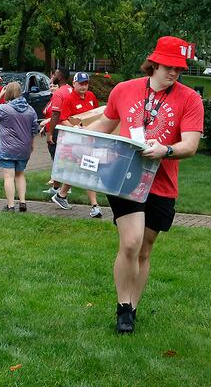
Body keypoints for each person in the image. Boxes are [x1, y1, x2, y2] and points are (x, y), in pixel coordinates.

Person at [87, 36, 204, 334]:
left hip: (162, 182)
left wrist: (164, 150)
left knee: (144, 250)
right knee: (130, 242)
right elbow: (104, 125)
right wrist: (68, 133)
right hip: (125, 175)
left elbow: (190, 145)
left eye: (179, 67)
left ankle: (134, 308)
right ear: (154, 62)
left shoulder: (190, 99)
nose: (175, 72)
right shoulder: (124, 89)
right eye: (169, 66)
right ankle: (122, 307)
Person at [50, 72, 103, 217]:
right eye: (81, 83)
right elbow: (63, 119)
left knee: (79, 169)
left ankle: (61, 195)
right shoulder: (69, 99)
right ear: (74, 84)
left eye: (86, 83)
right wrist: (75, 128)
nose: (84, 86)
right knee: (88, 169)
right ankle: (95, 207)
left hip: (91, 139)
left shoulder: (91, 96)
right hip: (77, 141)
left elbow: (97, 114)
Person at [0, 82, 39, 212]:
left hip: (7, 149)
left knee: (9, 176)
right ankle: (23, 202)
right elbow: (34, 129)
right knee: (20, 174)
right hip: (24, 148)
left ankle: (10, 206)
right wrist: (31, 144)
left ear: (8, 93)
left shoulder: (4, 109)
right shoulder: (30, 110)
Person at [42, 68, 72, 194]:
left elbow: (55, 114)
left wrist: (50, 133)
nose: (52, 76)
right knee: (64, 159)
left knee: (58, 159)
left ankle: (61, 189)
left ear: (59, 77)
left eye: (55, 74)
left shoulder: (59, 93)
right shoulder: (71, 89)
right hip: (69, 128)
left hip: (58, 130)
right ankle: (57, 187)